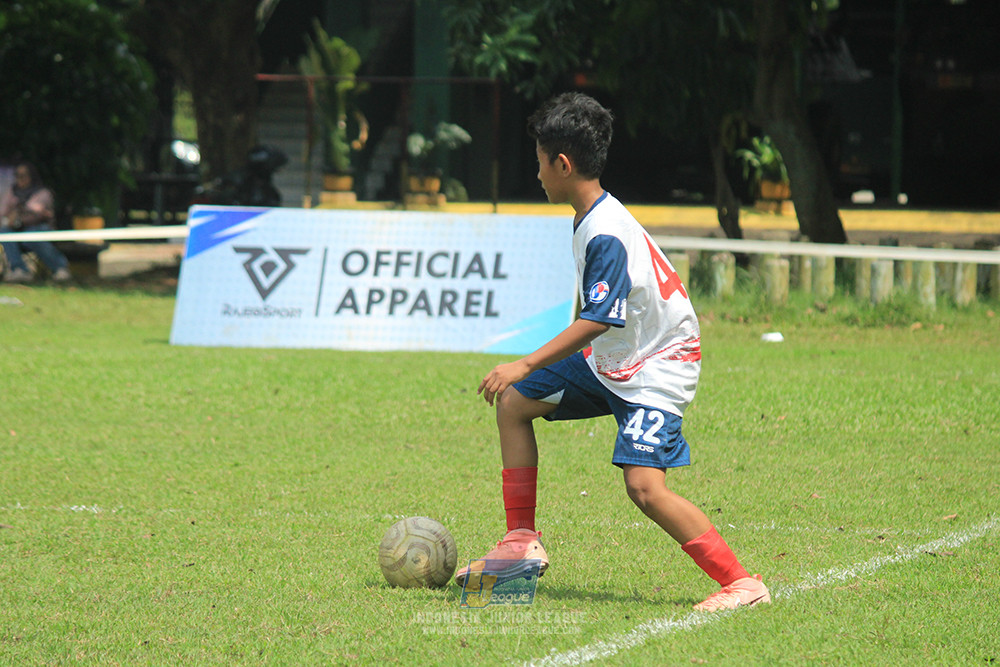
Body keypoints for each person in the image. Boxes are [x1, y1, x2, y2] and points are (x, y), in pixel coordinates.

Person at [455, 93, 770, 612]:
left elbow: (600, 316)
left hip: (657, 367)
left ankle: (742, 583)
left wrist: (526, 361)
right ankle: (519, 542)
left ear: (562, 164)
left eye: (539, 163)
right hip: (616, 357)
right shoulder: (591, 215)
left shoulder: (604, 232)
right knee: (514, 403)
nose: (535, 174)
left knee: (644, 488)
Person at [0, 161, 71, 282]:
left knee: (31, 235)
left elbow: (37, 210)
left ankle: (60, 268)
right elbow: (2, 211)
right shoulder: (12, 192)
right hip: (18, 231)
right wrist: (11, 217)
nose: (20, 179)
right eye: (17, 175)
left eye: (24, 175)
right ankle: (19, 270)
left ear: (31, 176)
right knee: (5, 233)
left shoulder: (43, 192)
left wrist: (18, 210)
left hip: (40, 228)